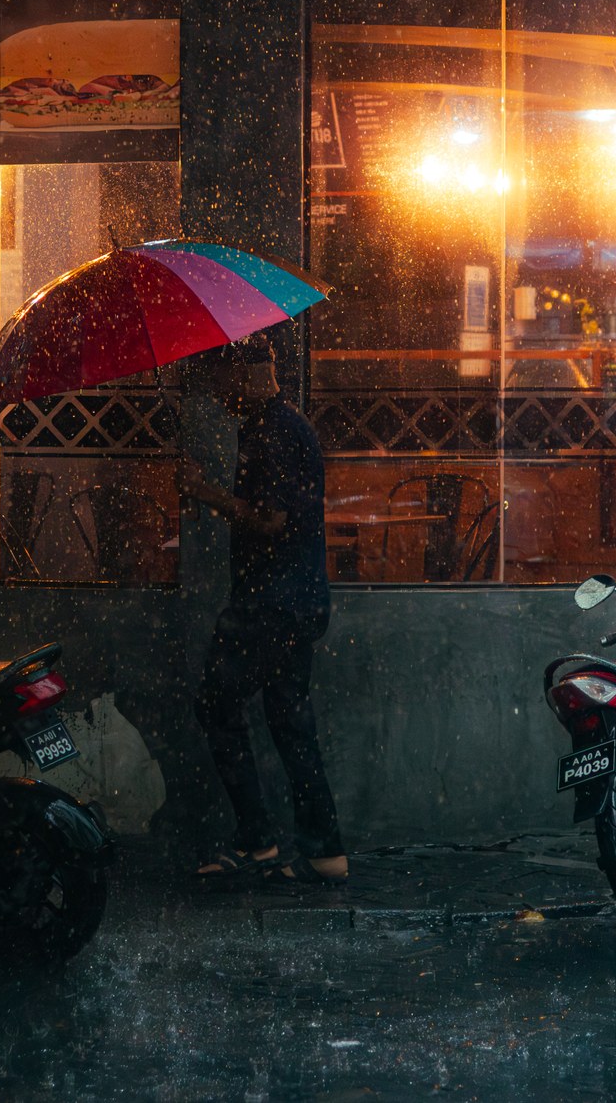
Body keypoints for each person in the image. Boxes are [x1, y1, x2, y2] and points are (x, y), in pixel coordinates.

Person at [181, 338, 348, 886]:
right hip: (292, 602)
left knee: (216, 704)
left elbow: (272, 521)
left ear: (243, 375)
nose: (215, 391)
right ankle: (322, 852)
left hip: (270, 606)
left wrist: (204, 492)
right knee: (289, 721)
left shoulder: (272, 431)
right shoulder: (276, 424)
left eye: (218, 378)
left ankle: (258, 839)